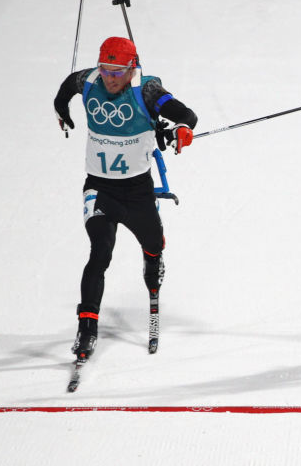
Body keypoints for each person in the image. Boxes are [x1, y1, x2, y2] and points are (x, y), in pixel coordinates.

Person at [53, 36, 198, 362]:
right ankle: (87, 327)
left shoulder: (145, 91)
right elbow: (66, 87)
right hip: (100, 189)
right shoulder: (90, 80)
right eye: (106, 69)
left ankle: (153, 264)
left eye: (118, 71)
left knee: (154, 244)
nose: (110, 77)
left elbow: (186, 114)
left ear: (132, 67)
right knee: (100, 252)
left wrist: (182, 129)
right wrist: (60, 108)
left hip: (137, 192)